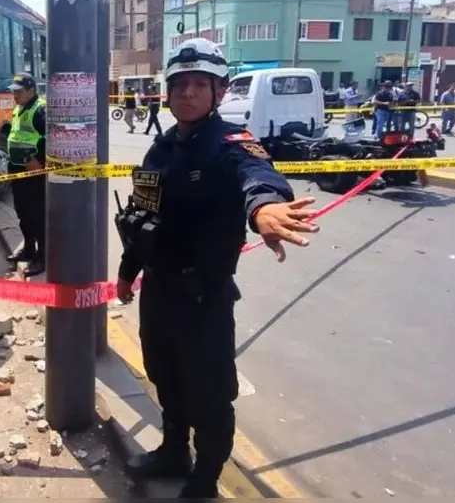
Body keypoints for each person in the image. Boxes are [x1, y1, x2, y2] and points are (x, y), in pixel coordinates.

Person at [115, 38, 319, 498]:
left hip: (203, 295)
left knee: (208, 391)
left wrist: (265, 208)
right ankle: (173, 451)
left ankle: (205, 477)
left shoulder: (229, 142)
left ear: (218, 92)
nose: (187, 93)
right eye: (179, 85)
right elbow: (144, 212)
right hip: (159, 290)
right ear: (167, 93)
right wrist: (128, 271)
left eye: (198, 85)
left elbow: (257, 176)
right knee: (163, 373)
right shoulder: (161, 149)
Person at [6, 73, 47, 277]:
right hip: (17, 169)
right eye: (13, 91)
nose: (15, 95)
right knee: (22, 212)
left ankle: (43, 256)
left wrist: (38, 159)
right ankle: (28, 248)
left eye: (18, 91)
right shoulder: (20, 108)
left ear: (31, 90)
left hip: (32, 172)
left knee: (37, 215)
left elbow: (51, 136)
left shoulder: (40, 110)